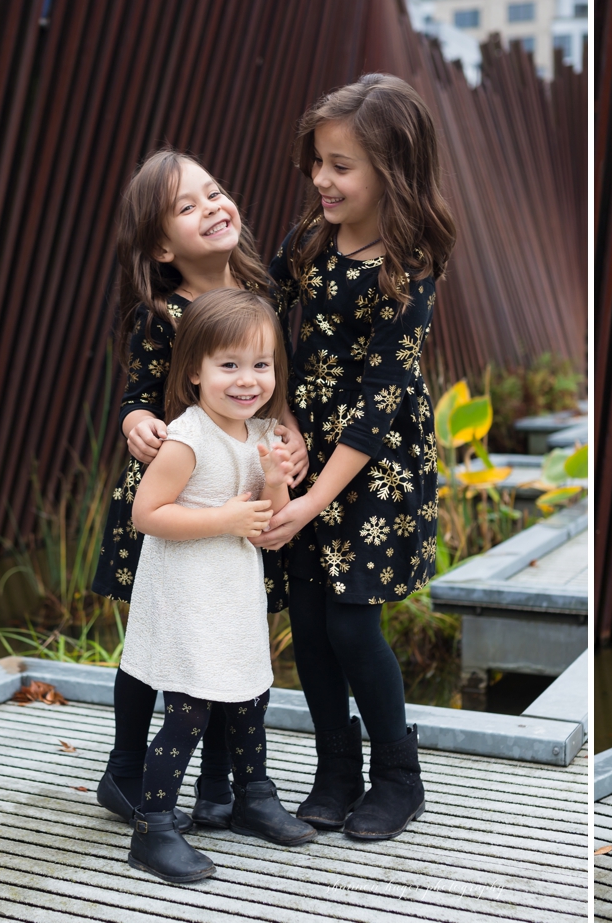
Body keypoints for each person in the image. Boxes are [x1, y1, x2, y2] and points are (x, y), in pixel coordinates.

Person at [250, 74, 456, 840]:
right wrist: (280, 413)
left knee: (350, 622)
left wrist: (310, 500)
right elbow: (263, 312)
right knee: (305, 619)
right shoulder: (308, 238)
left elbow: (380, 399)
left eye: (340, 166)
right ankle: (335, 768)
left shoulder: (410, 265)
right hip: (306, 445)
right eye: (317, 161)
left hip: (374, 464)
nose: (320, 179)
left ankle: (399, 775)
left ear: (392, 171)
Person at [92, 150, 308, 836]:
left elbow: (275, 382)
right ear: (162, 244)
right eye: (187, 206)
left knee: (226, 642)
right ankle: (127, 768)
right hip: (173, 490)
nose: (212, 206)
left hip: (236, 486)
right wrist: (136, 420)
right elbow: (134, 394)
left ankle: (222, 787)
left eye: (214, 192)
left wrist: (287, 434)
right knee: (152, 644)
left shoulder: (260, 291)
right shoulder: (160, 314)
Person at [121, 288, 317, 882]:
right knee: (188, 711)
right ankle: (153, 829)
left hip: (232, 593)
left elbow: (267, 529)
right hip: (186, 593)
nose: (246, 379)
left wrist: (278, 481)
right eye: (228, 365)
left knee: (251, 697)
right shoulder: (189, 438)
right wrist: (223, 519)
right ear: (195, 372)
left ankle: (250, 797)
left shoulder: (259, 434)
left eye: (260, 365)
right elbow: (146, 513)